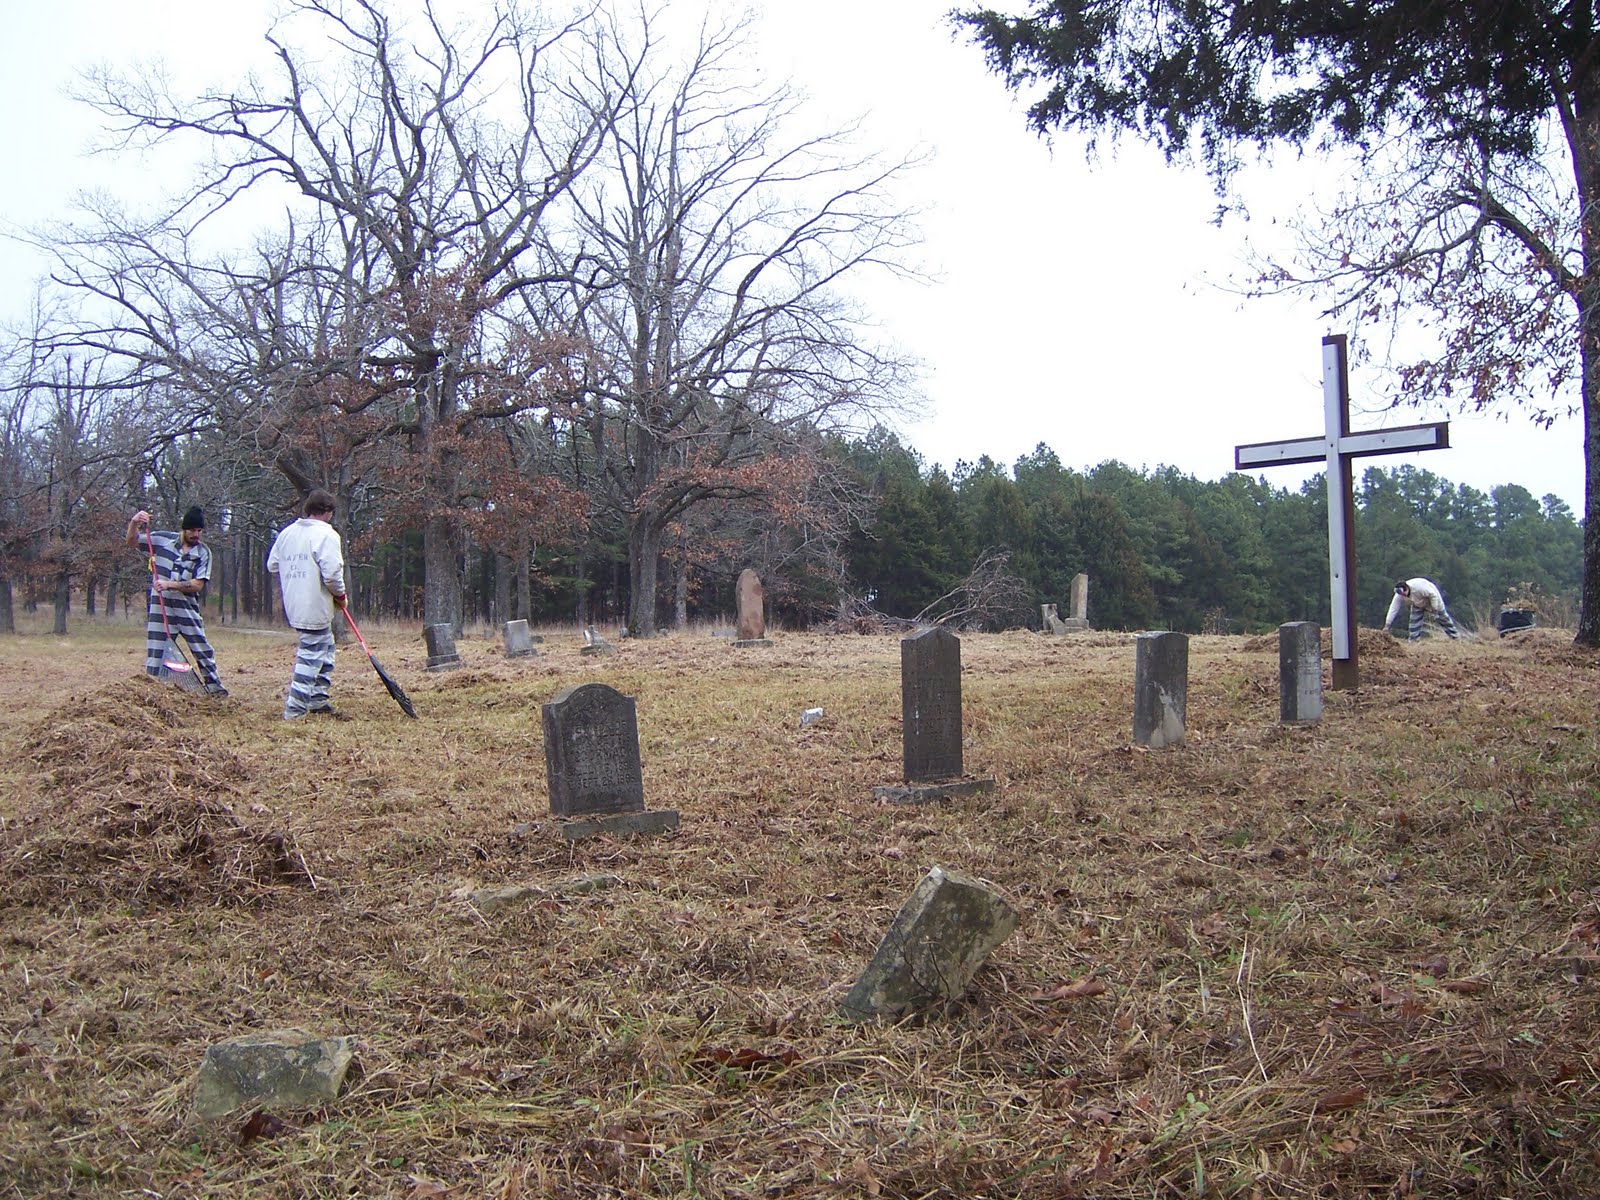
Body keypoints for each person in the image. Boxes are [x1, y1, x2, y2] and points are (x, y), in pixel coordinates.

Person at [126, 506, 228, 697]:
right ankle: (153, 692)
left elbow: (198, 585)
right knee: (156, 650)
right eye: (192, 530)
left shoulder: (203, 553)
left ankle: (215, 690)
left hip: (187, 610)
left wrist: (169, 585)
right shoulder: (162, 540)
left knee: (202, 648)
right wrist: (134, 522)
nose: (196, 534)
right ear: (183, 529)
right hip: (161, 608)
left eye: (199, 531)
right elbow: (132, 541)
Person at [267, 489, 348, 719]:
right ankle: (295, 709)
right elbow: (332, 574)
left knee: (327, 648)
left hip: (294, 603)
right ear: (328, 512)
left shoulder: (286, 533)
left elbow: (273, 565)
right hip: (314, 605)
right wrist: (341, 596)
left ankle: (318, 698)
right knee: (311, 656)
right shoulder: (326, 535)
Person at [1384, 577, 1461, 641]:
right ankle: (1414, 642)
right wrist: (1388, 624)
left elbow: (1433, 595)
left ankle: (1456, 638)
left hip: (1433, 600)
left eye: (1404, 592)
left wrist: (1435, 610)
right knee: (1414, 624)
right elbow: (1394, 607)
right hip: (1417, 604)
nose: (1403, 595)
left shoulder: (1418, 587)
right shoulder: (1400, 594)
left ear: (1407, 588)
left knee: (1444, 619)